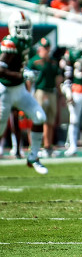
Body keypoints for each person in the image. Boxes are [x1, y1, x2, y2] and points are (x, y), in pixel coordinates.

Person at [0, 11, 48, 174]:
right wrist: (22, 74)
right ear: (13, 28)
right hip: (5, 91)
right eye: (21, 28)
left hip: (19, 90)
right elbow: (0, 70)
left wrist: (25, 72)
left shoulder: (26, 42)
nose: (25, 31)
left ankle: (33, 157)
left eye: (27, 27)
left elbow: (19, 64)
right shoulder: (10, 43)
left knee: (40, 117)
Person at [26, 37, 62, 158]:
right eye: (44, 48)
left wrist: (60, 94)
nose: (45, 50)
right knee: (38, 120)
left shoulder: (52, 61)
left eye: (47, 48)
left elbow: (57, 79)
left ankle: (48, 146)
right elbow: (29, 80)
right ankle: (35, 147)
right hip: (40, 92)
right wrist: (28, 94)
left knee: (50, 121)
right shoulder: (34, 61)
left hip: (51, 91)